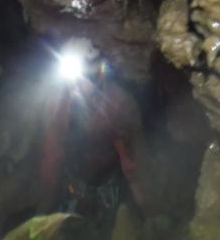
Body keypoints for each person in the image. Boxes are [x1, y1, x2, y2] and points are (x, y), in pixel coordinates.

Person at [37, 37, 151, 216]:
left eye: (83, 77)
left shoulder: (119, 105)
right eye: (72, 79)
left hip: (111, 192)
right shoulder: (58, 105)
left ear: (99, 73)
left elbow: (135, 163)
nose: (76, 86)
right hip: (71, 189)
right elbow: (51, 160)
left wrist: (147, 209)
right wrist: (43, 213)